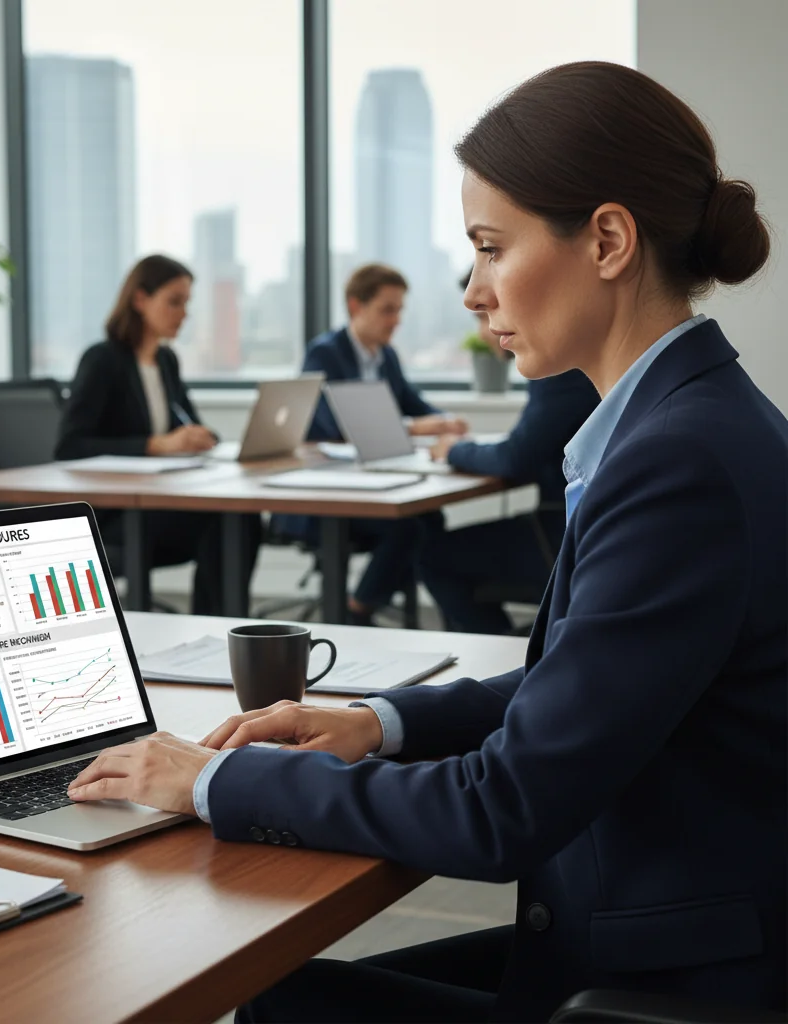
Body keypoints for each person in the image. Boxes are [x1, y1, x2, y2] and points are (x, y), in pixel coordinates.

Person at [66, 62, 787, 1020]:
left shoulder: (676, 464)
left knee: (290, 1008)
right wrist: (376, 723)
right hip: (654, 928)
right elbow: (579, 681)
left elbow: (501, 812)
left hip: (669, 978)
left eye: (491, 249)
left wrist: (219, 778)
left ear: (608, 240)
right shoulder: (697, 423)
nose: (475, 292)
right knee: (292, 992)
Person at [55, 254, 260, 615]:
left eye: (186, 303)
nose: (183, 313)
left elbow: (190, 424)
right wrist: (155, 445)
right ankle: (213, 629)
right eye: (174, 301)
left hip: (159, 503)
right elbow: (70, 446)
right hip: (115, 515)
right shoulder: (103, 360)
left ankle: (224, 632)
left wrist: (200, 436)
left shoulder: (166, 361)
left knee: (241, 515)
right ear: (140, 300)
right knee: (227, 520)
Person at [277, 263, 468, 625]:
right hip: (327, 496)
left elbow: (415, 404)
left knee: (431, 520)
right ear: (355, 307)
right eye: (387, 309)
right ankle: (358, 609)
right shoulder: (325, 353)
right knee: (409, 527)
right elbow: (336, 427)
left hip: (374, 485)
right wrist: (416, 428)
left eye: (399, 310)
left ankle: (373, 602)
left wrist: (446, 421)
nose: (396, 320)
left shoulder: (386, 356)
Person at [415, 268, 600, 632]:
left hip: (560, 538)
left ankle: (500, 660)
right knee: (432, 537)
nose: (485, 330)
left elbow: (515, 458)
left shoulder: (558, 368)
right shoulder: (571, 357)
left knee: (433, 555)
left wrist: (453, 450)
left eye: (485, 315)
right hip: (567, 528)